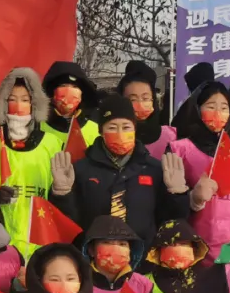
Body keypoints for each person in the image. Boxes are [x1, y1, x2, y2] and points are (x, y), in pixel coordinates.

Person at [58, 92, 190, 250]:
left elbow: (172, 221)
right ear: (101, 131)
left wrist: (177, 195)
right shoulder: (82, 169)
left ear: (134, 128)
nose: (120, 133)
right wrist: (62, 195)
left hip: (143, 260)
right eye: (112, 127)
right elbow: (69, 222)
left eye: (126, 127)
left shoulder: (153, 168)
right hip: (95, 260)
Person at [170, 81, 230, 262]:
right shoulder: (179, 150)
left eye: (224, 107)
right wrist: (191, 199)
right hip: (192, 251)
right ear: (197, 110)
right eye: (211, 107)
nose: (218, 113)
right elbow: (167, 207)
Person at [0, 68, 62, 258]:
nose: (19, 105)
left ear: (34, 103)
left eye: (25, 99)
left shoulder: (53, 144)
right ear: (2, 104)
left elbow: (60, 204)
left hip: (41, 245)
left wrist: (63, 190)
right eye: (12, 99)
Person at [118, 60, 176, 159]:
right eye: (133, 99)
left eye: (145, 98)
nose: (140, 104)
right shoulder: (114, 134)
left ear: (153, 99)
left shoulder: (170, 136)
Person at [40, 62, 100, 150]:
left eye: (75, 87)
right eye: (63, 86)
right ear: (51, 93)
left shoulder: (95, 129)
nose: (69, 91)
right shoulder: (38, 126)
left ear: (82, 93)